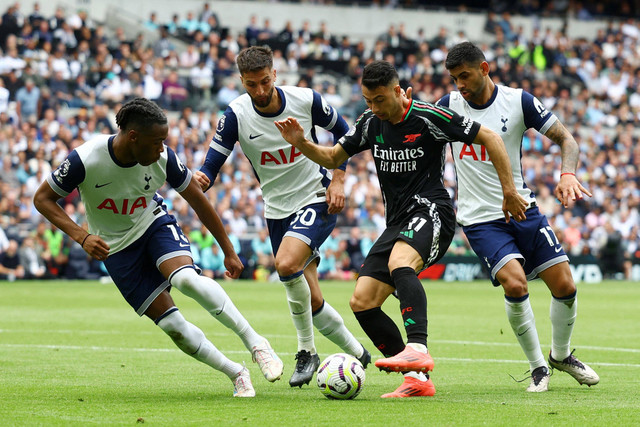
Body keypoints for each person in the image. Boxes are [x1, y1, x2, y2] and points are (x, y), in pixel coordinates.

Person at [275, 60, 527, 398]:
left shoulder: (427, 117)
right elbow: (334, 157)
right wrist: (301, 142)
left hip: (432, 210)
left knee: (400, 263)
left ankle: (418, 350)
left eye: (379, 100)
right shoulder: (369, 123)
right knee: (362, 301)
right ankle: (416, 381)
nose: (373, 107)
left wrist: (508, 191)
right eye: (368, 100)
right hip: (398, 222)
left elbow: (492, 138)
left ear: (398, 91)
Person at [33, 97, 283, 398]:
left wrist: (228, 250)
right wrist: (82, 236)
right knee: (174, 327)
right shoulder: (86, 159)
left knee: (186, 278)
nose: (162, 149)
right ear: (133, 137)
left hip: (152, 225)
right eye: (156, 142)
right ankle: (236, 372)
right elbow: (42, 199)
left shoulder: (164, 159)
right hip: (115, 249)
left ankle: (256, 343)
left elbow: (198, 200)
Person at [196, 46, 370, 388]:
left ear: (274, 74)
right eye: (251, 84)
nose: (259, 91)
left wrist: (338, 178)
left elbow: (347, 133)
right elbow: (212, 162)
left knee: (286, 265)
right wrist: (201, 178)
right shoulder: (236, 114)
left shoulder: (306, 100)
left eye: (264, 82)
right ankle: (359, 355)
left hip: (316, 197)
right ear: (242, 81)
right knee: (313, 298)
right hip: (276, 209)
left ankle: (307, 352)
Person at [439, 41, 599, 392]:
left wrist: (568, 174)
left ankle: (561, 355)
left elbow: (566, 140)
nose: (459, 85)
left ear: (484, 68)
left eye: (464, 76)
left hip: (523, 209)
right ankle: (538, 367)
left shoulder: (519, 101)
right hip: (480, 217)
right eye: (453, 79)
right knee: (515, 283)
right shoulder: (447, 107)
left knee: (566, 287)